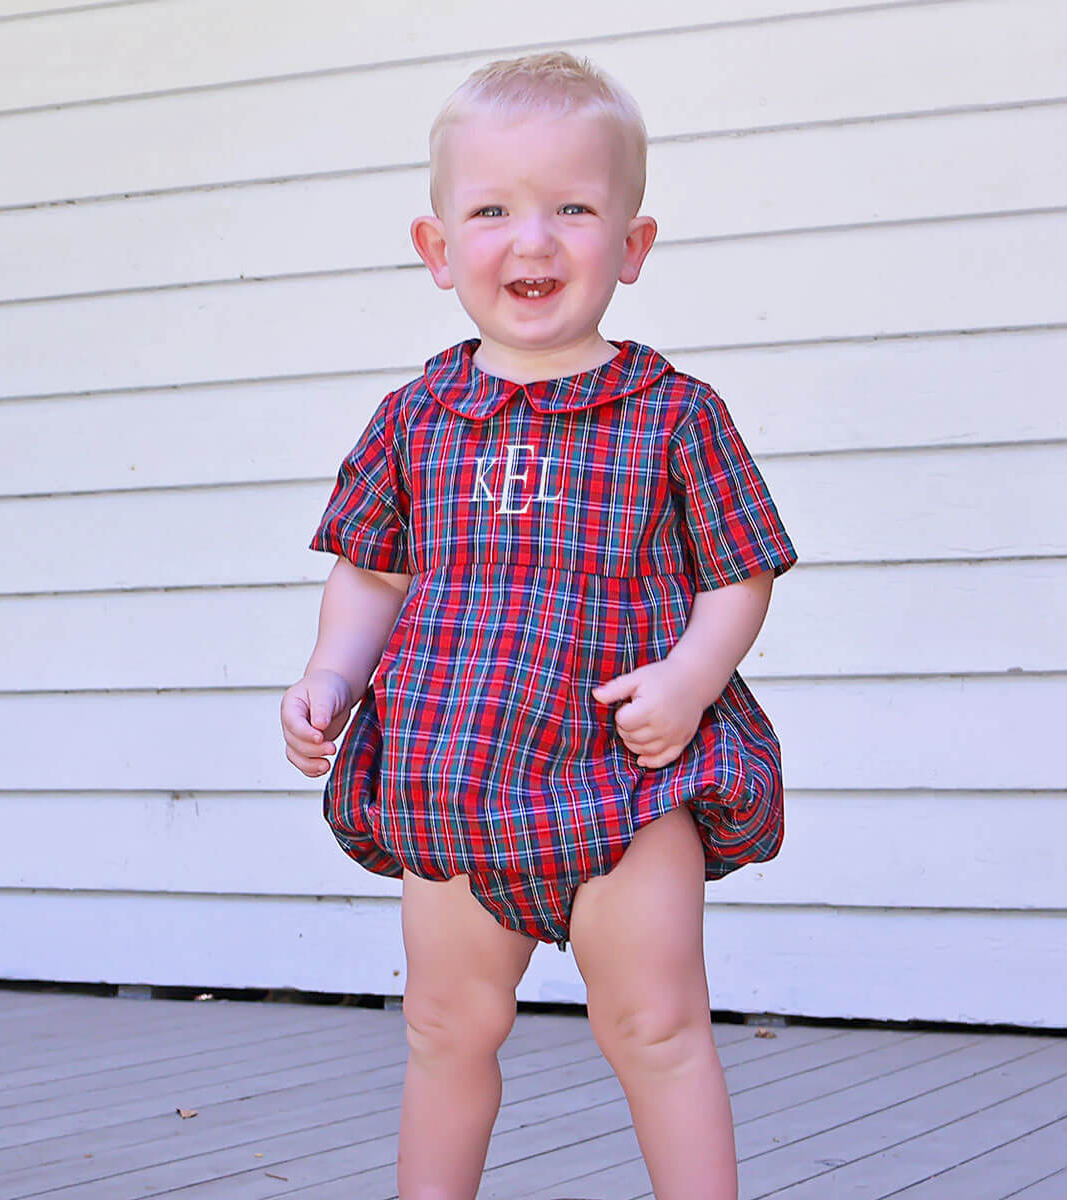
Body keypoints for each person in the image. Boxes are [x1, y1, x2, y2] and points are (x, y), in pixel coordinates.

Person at [280, 50, 797, 1200]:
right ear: (437, 247)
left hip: (627, 771)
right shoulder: (416, 418)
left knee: (655, 1025)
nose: (534, 240)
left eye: (574, 207)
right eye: (494, 210)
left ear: (632, 244)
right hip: (452, 771)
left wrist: (692, 679)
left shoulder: (674, 412)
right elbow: (371, 574)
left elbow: (742, 573)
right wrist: (329, 675)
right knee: (444, 1028)